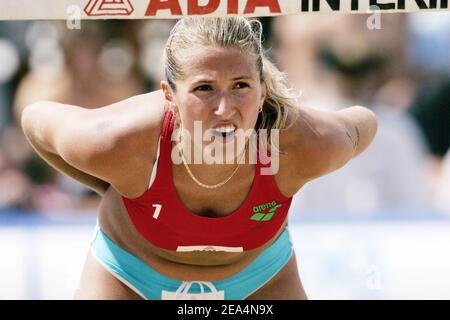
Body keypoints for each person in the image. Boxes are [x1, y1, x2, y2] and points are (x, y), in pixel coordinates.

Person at [20, 17, 378, 300]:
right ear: (169, 96)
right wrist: (107, 184)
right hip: (130, 275)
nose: (225, 109)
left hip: (258, 279)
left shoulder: (302, 144)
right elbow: (34, 118)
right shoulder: (119, 143)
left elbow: (367, 123)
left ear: (262, 89)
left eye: (241, 86)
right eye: (204, 89)